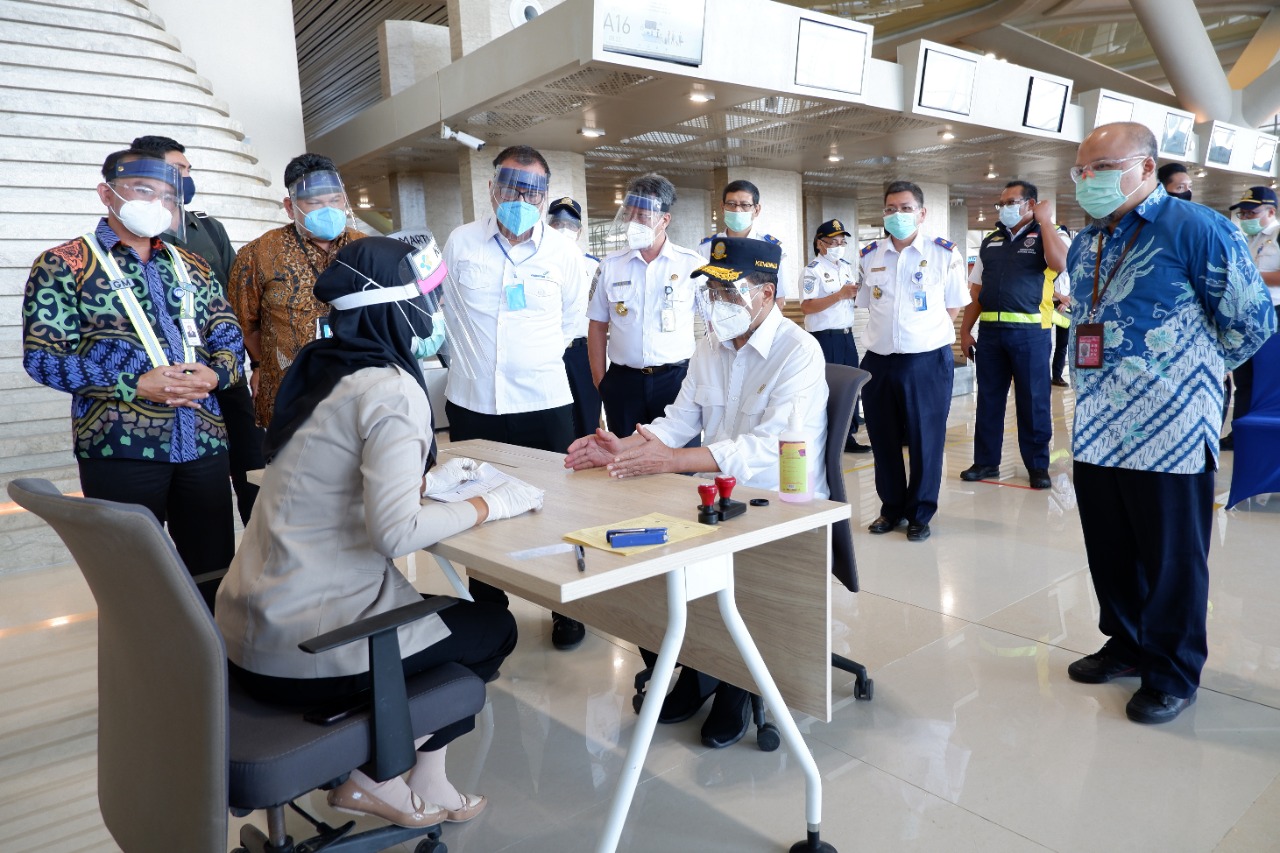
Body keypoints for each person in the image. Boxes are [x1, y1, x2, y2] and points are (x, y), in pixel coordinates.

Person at [216, 237, 539, 828]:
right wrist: (489, 503)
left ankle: (427, 775)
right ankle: (378, 776)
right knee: (491, 628)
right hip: (305, 647)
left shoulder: (322, 367)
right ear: (397, 305)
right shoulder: (390, 388)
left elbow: (341, 475)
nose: (434, 314)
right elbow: (396, 533)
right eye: (428, 299)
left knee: (440, 616)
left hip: (248, 626)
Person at [566, 237, 828, 750]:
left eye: (729, 293)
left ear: (767, 293)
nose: (714, 301)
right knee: (641, 567)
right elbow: (679, 420)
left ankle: (736, 681)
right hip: (715, 497)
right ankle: (698, 667)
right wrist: (621, 449)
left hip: (779, 504)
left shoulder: (798, 352)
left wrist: (673, 461)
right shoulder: (708, 348)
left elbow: (770, 446)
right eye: (710, 289)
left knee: (718, 575)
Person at [1063, 122, 1275, 724]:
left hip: (1171, 427)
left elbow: (1251, 322)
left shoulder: (1200, 229)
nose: (1089, 181)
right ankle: (1127, 644)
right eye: (1082, 170)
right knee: (1110, 547)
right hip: (1098, 421)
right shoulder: (1087, 243)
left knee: (1172, 556)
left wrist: (1189, 375)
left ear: (1147, 168)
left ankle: (1172, 669)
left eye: (1102, 168)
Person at [22, 148, 243, 577]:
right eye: (144, 191)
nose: (156, 204)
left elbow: (228, 335)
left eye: (167, 197)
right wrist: (135, 384)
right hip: (119, 444)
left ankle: (214, 647)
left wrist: (216, 374)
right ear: (107, 194)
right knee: (131, 575)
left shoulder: (192, 265)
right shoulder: (65, 264)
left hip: (204, 440)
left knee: (213, 569)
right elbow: (44, 357)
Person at [441, 145, 588, 649]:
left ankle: (564, 607)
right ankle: (489, 604)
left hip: (544, 402)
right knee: (475, 503)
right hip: (473, 400)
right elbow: (445, 312)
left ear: (544, 196)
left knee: (552, 507)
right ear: (491, 188)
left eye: (531, 189)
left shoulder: (564, 254)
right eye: (511, 185)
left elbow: (571, 324)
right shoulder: (461, 242)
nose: (520, 196)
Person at [131, 134, 266, 523]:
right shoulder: (132, 236)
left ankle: (266, 554)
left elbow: (236, 302)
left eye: (188, 170)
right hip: (165, 382)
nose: (186, 179)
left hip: (223, 372)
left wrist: (252, 364)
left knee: (252, 466)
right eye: (179, 170)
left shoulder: (208, 229)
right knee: (188, 492)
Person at [857, 181, 970, 542]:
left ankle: (920, 512)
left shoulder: (943, 253)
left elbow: (954, 305)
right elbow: (866, 303)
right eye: (890, 208)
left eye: (905, 208)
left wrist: (924, 333)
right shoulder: (870, 255)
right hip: (878, 360)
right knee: (883, 439)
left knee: (926, 439)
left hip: (926, 359)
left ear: (921, 213)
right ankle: (891, 508)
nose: (897, 215)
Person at [228, 153, 364, 427]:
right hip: (290, 390)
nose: (328, 209)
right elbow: (244, 323)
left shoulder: (365, 248)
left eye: (335, 200)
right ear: (290, 207)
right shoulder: (258, 254)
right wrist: (260, 365)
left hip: (360, 382)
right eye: (314, 203)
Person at [958, 180, 1069, 490]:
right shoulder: (990, 241)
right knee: (989, 400)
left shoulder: (1051, 233)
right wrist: (966, 331)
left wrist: (1044, 221)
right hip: (991, 334)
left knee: (1034, 401)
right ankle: (985, 462)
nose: (1004, 207)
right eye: (1001, 203)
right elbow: (977, 289)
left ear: (1030, 204)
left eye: (1011, 202)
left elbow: (1060, 264)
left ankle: (1037, 465)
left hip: (1031, 333)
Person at [588, 174, 704, 438]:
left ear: (665, 220)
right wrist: (600, 381)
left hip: (676, 380)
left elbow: (712, 327)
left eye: (643, 215)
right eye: (630, 214)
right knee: (625, 464)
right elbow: (596, 325)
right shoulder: (610, 266)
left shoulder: (691, 265)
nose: (633, 222)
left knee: (678, 462)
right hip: (623, 382)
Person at [800, 218, 870, 453]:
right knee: (828, 387)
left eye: (842, 242)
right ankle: (830, 437)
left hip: (846, 336)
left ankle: (848, 435)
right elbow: (807, 306)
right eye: (833, 242)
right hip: (824, 338)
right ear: (820, 244)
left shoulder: (846, 267)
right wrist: (839, 295)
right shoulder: (812, 271)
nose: (838, 246)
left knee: (850, 385)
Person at [1221, 186, 1280, 449]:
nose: (1246, 218)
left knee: (1269, 380)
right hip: (1249, 314)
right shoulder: (1248, 240)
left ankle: (1266, 436)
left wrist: (1251, 277)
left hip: (1274, 316)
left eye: (1251, 212)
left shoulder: (1279, 234)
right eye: (1243, 214)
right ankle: (1240, 434)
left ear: (1271, 211)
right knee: (1244, 380)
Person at [547, 196, 603, 439]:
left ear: (579, 231)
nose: (563, 229)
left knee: (587, 417)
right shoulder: (534, 264)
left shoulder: (593, 267)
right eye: (558, 223)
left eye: (570, 226)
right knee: (551, 418)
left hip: (581, 353)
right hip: (547, 350)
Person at [699, 179, 792, 303]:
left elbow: (779, 298)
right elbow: (700, 292)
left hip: (758, 319)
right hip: (718, 319)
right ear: (722, 207)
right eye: (731, 204)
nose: (737, 210)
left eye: (745, 205)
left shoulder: (771, 248)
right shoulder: (707, 248)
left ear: (756, 210)